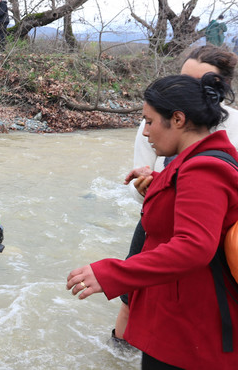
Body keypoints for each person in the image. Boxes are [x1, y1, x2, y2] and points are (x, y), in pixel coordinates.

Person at [67, 73, 238, 369]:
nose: (145, 132)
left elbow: (193, 247)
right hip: (181, 322)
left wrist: (110, 273)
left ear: (179, 119)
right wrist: (159, 182)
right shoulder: (197, 163)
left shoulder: (204, 170)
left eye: (149, 121)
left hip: (193, 332)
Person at [113, 46, 238, 343]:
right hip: (161, 218)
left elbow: (196, 244)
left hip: (220, 231)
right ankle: (122, 349)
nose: (188, 89)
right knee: (133, 297)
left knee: (209, 302)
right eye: (184, 79)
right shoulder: (158, 119)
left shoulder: (233, 125)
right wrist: (146, 186)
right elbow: (138, 185)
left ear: (218, 88)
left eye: (201, 83)